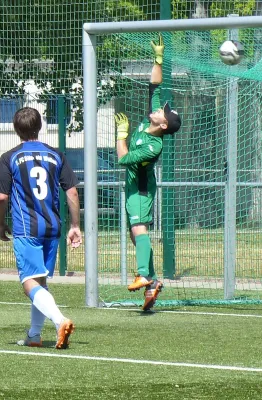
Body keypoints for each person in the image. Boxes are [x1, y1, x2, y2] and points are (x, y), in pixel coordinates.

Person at [0, 107, 82, 349]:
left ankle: (59, 320)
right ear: (40, 126)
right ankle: (34, 335)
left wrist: (1, 224)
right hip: (52, 228)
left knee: (28, 283)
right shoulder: (56, 155)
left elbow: (2, 198)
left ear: (15, 129)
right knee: (40, 282)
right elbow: (72, 191)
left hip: (26, 228)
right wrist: (75, 226)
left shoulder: (9, 157)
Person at [114, 35, 181, 311]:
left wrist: (120, 136)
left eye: (162, 112)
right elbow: (155, 85)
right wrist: (158, 59)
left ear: (164, 125)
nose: (158, 109)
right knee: (134, 234)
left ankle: (144, 274)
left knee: (138, 228)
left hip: (141, 188)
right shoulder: (149, 120)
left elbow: (124, 160)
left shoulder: (154, 146)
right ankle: (152, 282)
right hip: (133, 188)